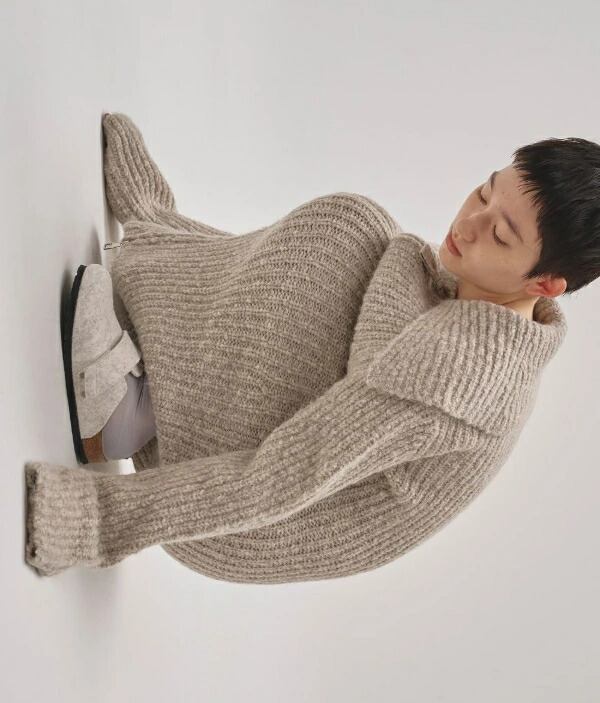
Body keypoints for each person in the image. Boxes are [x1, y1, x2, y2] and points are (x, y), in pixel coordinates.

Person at [24, 114, 600, 582]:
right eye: (484, 193)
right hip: (254, 453)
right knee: (356, 227)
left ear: (545, 285)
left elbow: (285, 474)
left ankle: (130, 414)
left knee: (343, 248)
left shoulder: (457, 375)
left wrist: (98, 520)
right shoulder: (490, 299)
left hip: (250, 516)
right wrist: (161, 224)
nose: (470, 223)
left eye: (499, 234)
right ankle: (157, 244)